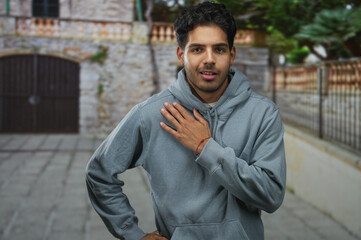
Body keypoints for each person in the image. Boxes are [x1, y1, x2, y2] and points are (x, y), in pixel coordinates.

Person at [86, 2, 286, 240]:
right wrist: (132, 234)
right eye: (198, 49)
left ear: (232, 54)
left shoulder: (263, 113)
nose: (209, 59)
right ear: (182, 54)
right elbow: (99, 173)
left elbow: (271, 196)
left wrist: (205, 147)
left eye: (219, 50)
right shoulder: (151, 114)